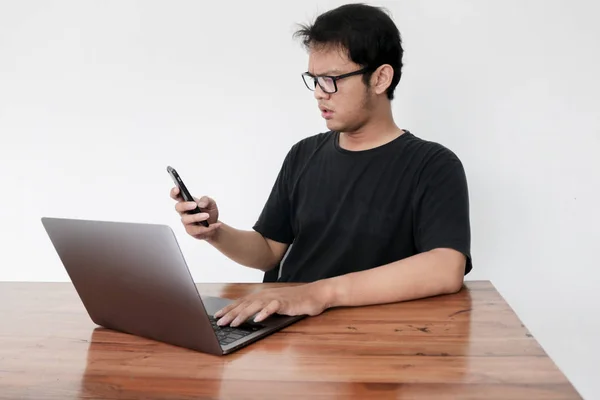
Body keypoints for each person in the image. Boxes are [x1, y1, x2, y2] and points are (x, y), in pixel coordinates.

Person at [171, 3, 472, 328]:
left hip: (372, 340)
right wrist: (216, 233)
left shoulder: (433, 166)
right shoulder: (303, 154)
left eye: (331, 80)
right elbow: (269, 251)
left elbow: (445, 267)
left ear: (381, 78)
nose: (318, 94)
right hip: (284, 330)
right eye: (313, 79)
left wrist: (319, 293)